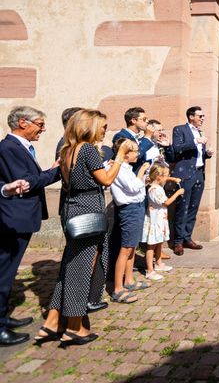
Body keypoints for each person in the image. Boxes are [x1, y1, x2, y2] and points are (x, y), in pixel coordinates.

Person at [38, 109, 131, 347]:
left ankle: (51, 321)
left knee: (69, 267)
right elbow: (107, 180)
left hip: (73, 207)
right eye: (102, 125)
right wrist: (120, 155)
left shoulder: (67, 149)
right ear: (88, 126)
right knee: (81, 269)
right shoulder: (88, 149)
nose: (105, 129)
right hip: (87, 209)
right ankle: (74, 328)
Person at [0, 106, 61, 346]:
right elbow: (27, 182)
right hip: (13, 219)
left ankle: (3, 317)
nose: (43, 129)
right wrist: (55, 171)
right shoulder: (9, 148)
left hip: (20, 219)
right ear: (22, 123)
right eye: (39, 123)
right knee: (4, 274)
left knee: (8, 272)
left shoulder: (17, 147)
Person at [110, 138, 150, 303]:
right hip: (129, 210)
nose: (138, 154)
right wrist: (141, 174)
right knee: (125, 248)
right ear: (126, 154)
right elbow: (133, 187)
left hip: (137, 207)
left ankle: (129, 280)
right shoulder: (118, 168)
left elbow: (137, 188)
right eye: (134, 151)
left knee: (132, 247)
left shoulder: (127, 168)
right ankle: (118, 288)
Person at [171, 106, 213, 255]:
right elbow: (177, 148)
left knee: (193, 208)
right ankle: (178, 242)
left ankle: (187, 238)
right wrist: (196, 141)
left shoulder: (200, 132)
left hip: (199, 174)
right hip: (185, 174)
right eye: (200, 116)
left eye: (203, 116)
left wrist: (207, 154)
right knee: (183, 208)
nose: (202, 118)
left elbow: (198, 155)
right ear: (191, 117)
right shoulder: (179, 129)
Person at [142, 163, 183, 280]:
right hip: (154, 221)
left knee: (159, 242)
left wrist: (172, 179)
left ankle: (159, 263)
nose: (167, 178)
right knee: (151, 246)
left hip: (160, 220)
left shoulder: (158, 187)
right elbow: (166, 202)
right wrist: (177, 193)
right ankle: (150, 270)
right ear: (159, 177)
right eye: (166, 176)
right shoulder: (154, 189)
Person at [112, 107, 154, 172]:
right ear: (134, 121)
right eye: (144, 119)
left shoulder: (137, 137)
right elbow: (134, 156)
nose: (147, 121)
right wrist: (147, 137)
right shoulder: (121, 136)